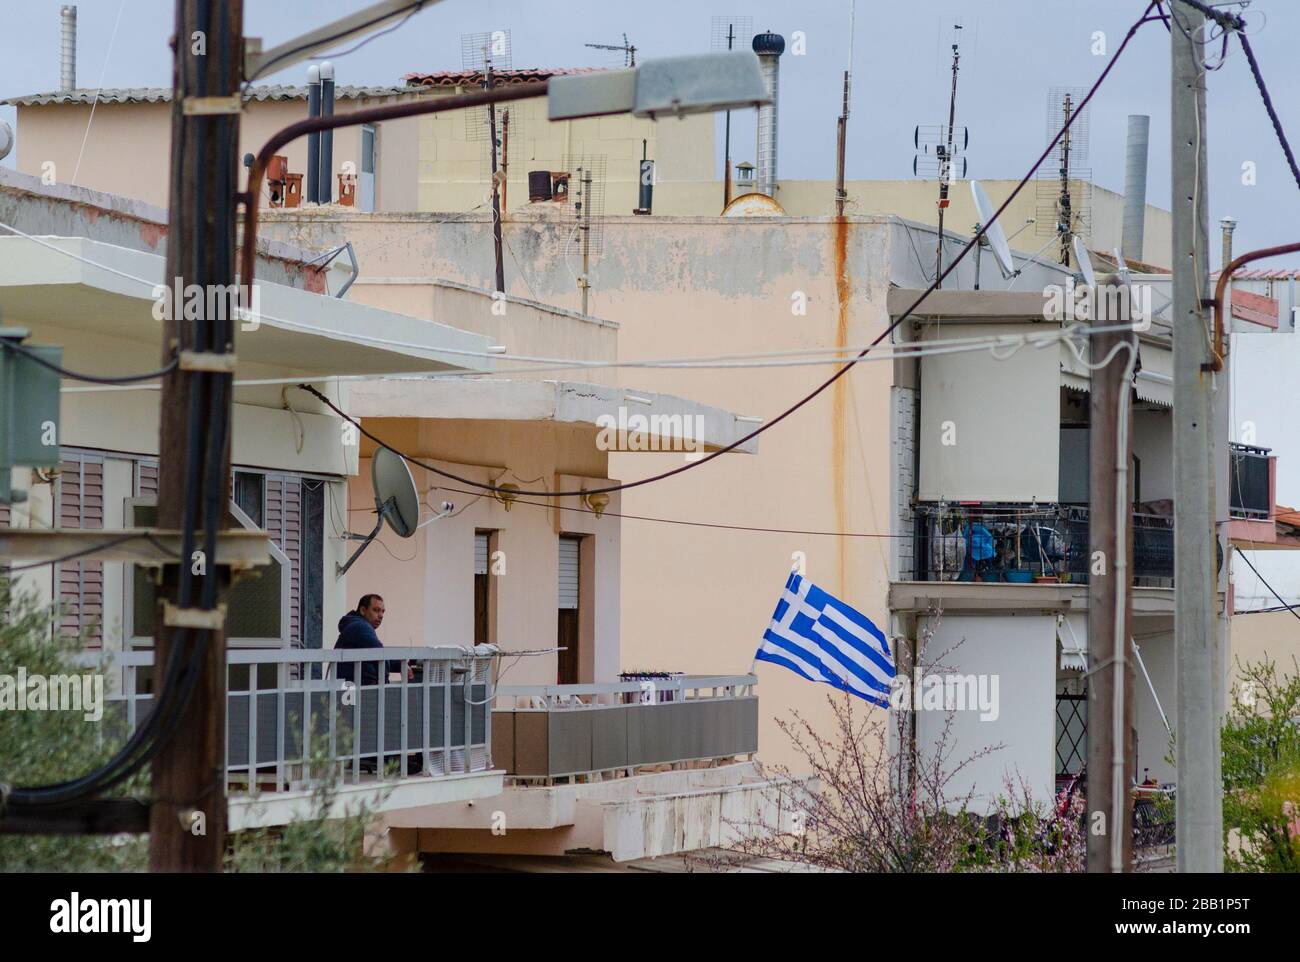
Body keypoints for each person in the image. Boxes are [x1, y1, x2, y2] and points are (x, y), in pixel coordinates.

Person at [334, 594, 406, 685]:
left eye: (383, 612)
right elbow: (380, 655)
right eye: (376, 610)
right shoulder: (361, 627)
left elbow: (376, 654)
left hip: (350, 688)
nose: (381, 615)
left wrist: (401, 665)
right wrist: (384, 687)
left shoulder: (355, 625)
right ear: (363, 610)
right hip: (359, 690)